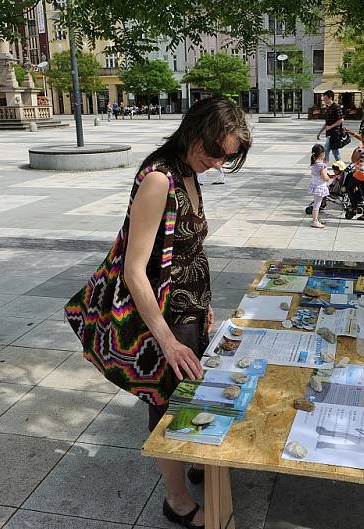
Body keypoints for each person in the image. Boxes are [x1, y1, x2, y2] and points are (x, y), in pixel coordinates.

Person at [104, 96, 251, 528]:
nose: (219, 163)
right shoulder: (158, 180)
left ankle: (195, 457)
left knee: (190, 395)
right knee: (167, 403)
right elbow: (135, 270)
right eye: (215, 152)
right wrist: (167, 342)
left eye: (227, 156)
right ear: (193, 133)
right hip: (163, 318)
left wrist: (205, 306)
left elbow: (190, 249)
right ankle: (177, 501)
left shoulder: (189, 170)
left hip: (189, 309)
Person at [316, 90, 344, 161]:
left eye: (325, 99)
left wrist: (331, 127)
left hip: (335, 133)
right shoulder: (328, 108)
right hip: (329, 133)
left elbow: (341, 120)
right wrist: (320, 132)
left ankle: (324, 167)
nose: (324, 101)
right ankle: (340, 167)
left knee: (326, 149)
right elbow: (327, 123)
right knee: (335, 151)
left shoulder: (336, 107)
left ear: (330, 98)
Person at [308, 143, 331, 228]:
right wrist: (329, 178)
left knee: (316, 203)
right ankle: (315, 221)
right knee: (317, 204)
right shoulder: (322, 166)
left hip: (315, 185)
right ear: (322, 154)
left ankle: (315, 219)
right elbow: (325, 177)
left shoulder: (314, 164)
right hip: (320, 187)